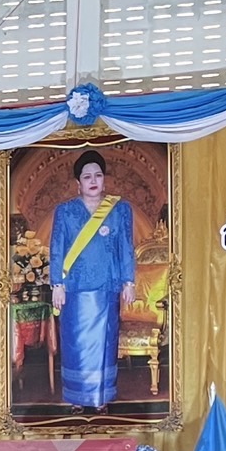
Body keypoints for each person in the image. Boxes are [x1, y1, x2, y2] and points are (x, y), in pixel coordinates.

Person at [49, 148, 136, 411]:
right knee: (76, 345)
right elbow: (57, 248)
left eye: (98, 175)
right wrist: (57, 284)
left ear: (104, 180)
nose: (93, 180)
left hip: (106, 289)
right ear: (78, 184)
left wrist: (129, 282)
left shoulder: (120, 210)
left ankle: (101, 398)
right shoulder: (65, 212)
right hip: (74, 290)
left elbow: (125, 247)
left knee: (104, 345)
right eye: (87, 177)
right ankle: (78, 398)